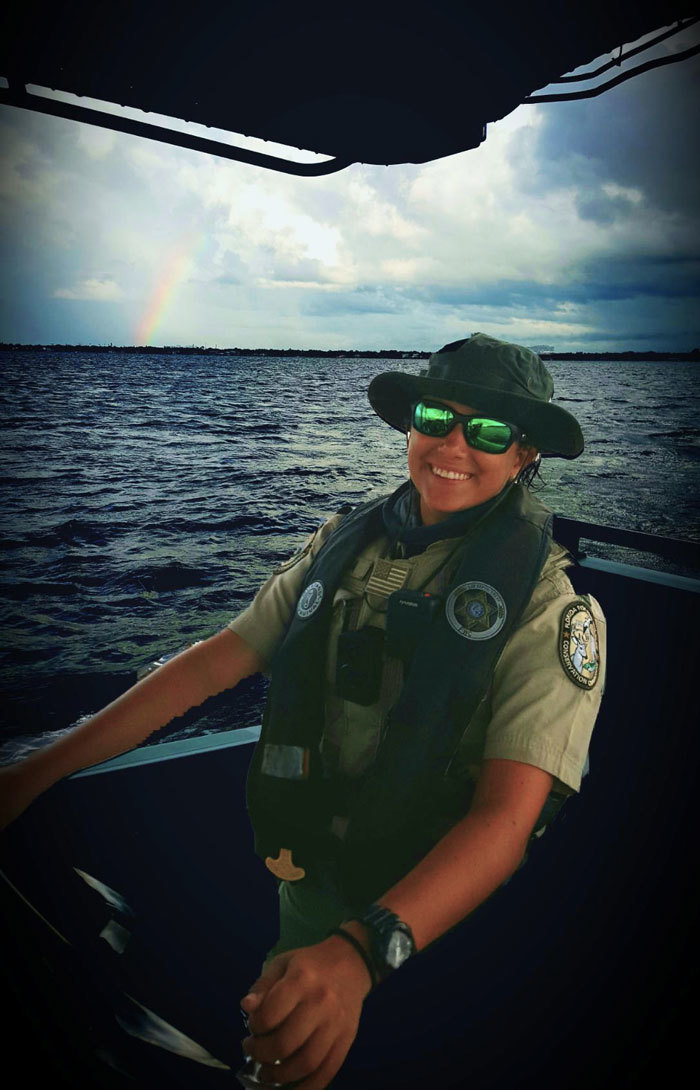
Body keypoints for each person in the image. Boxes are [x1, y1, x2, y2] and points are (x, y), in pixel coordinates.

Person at [0, 333, 606, 1090]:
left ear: (525, 456)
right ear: (409, 426)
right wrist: (32, 770)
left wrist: (358, 954)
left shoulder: (550, 608)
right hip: (313, 897)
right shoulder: (342, 544)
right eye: (435, 417)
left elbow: (505, 821)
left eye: (487, 431)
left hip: (438, 927)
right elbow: (215, 660)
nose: (454, 444)